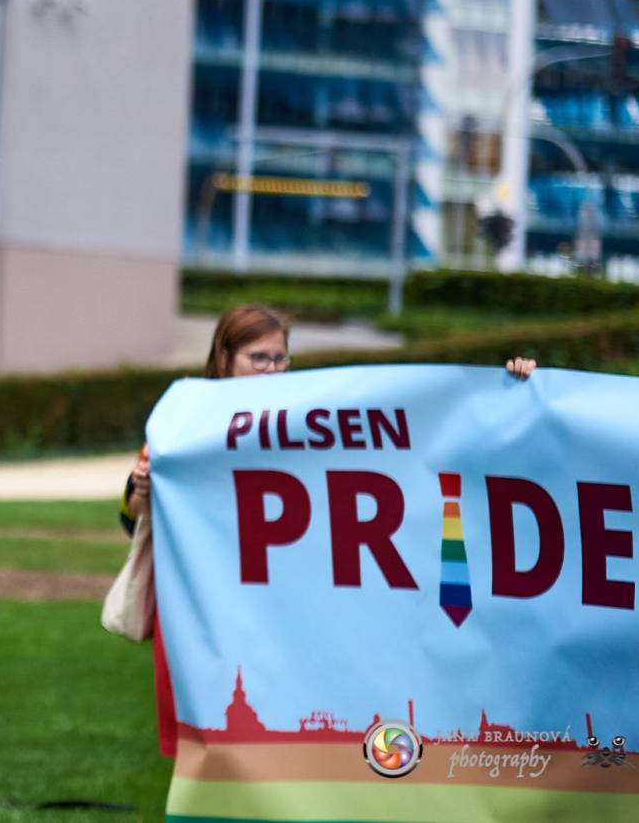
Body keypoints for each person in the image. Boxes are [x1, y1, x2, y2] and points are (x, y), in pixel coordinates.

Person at [121, 304, 534, 757]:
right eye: (258, 358)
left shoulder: (301, 416)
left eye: (280, 359)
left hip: (286, 612)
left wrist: (508, 390)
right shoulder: (187, 422)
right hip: (209, 613)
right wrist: (141, 491)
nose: (272, 372)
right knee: (209, 747)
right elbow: (131, 517)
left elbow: (421, 432)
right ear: (224, 357)